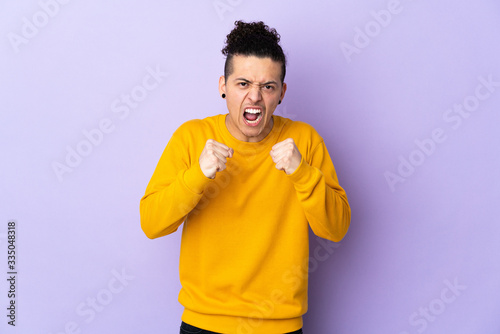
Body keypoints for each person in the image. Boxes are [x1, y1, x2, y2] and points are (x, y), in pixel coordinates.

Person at [140, 20, 351, 334]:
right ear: (223, 85)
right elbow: (152, 223)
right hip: (203, 323)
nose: (255, 97)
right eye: (243, 84)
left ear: (281, 92)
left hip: (280, 326)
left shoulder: (303, 141)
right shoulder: (192, 137)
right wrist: (198, 175)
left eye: (267, 86)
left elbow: (335, 229)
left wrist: (301, 173)